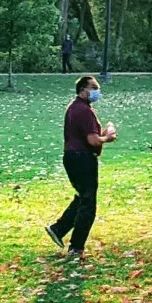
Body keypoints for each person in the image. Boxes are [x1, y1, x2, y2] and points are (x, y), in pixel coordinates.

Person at [46, 76, 116, 256]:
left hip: (72, 157)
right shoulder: (84, 111)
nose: (97, 91)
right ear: (83, 89)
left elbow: (89, 135)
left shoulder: (75, 107)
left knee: (82, 196)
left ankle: (58, 229)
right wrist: (107, 138)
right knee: (88, 203)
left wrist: (103, 133)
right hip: (82, 158)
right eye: (94, 87)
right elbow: (92, 140)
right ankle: (76, 247)